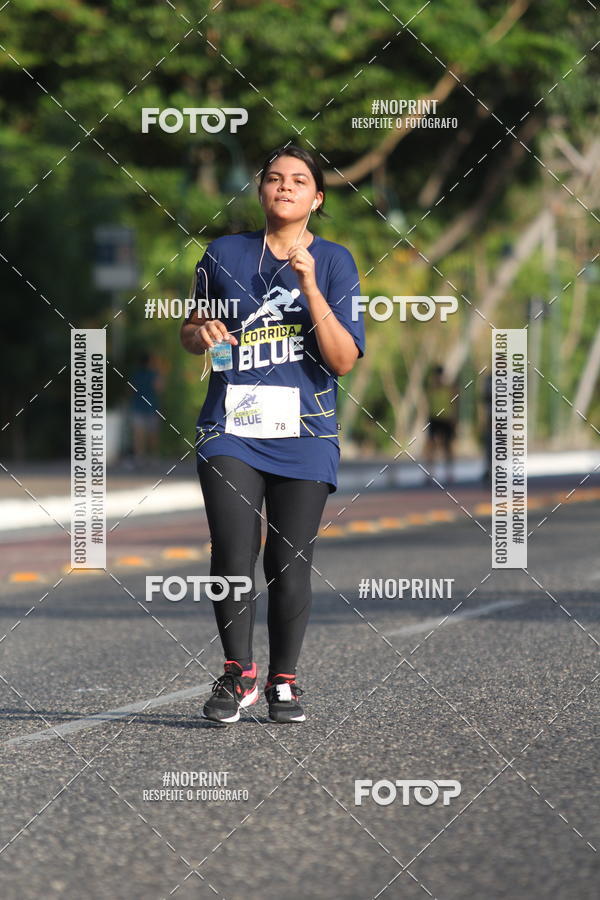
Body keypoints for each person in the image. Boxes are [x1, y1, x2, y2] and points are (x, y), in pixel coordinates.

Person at [180, 144, 365, 724]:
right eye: (274, 178)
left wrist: (310, 288)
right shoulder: (223, 253)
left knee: (288, 561)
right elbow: (190, 331)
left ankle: (285, 680)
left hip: (306, 430)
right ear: (261, 191)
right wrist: (201, 331)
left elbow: (341, 360)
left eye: (299, 180)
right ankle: (239, 675)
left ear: (317, 198)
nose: (285, 187)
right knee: (233, 553)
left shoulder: (336, 262)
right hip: (231, 425)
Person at [423, 364, 459, 484]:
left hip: (446, 419)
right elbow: (427, 405)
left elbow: (454, 404)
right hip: (434, 419)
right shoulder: (430, 389)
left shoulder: (449, 389)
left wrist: (454, 419)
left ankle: (449, 474)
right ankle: (429, 474)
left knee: (447, 447)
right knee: (431, 447)